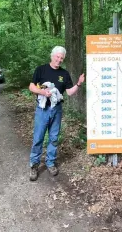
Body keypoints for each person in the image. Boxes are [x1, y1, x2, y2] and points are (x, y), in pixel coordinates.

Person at [28, 46, 85, 181]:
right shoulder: (41, 69)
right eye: (57, 57)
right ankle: (34, 165)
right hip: (42, 110)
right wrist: (43, 92)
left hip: (57, 110)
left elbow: (70, 92)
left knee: (54, 138)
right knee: (38, 138)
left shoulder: (64, 74)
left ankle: (50, 163)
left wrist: (79, 83)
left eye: (61, 58)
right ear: (52, 56)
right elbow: (31, 86)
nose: (59, 60)